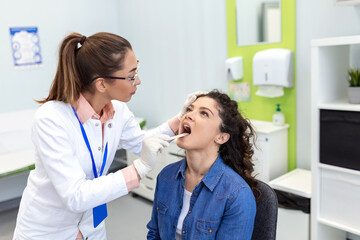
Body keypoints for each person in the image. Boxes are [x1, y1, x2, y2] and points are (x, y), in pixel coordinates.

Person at [13, 32, 202, 240]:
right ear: (101, 84)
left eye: (137, 70)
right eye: (131, 76)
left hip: (91, 226)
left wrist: (178, 119)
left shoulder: (117, 111)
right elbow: (75, 195)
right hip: (48, 230)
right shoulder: (51, 119)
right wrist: (138, 170)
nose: (138, 81)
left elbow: (142, 143)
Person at [147, 90, 258, 240]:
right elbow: (154, 234)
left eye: (204, 113)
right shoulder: (166, 176)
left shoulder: (237, 195)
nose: (188, 115)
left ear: (221, 137)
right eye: (189, 109)